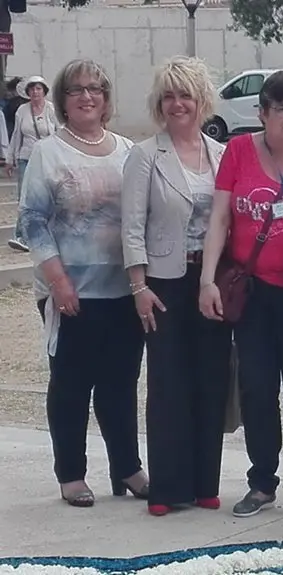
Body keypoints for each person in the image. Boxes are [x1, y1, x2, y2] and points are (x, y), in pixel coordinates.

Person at [198, 71, 283, 519]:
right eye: (282, 109)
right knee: (257, 386)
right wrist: (206, 279)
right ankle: (262, 481)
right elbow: (220, 218)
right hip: (252, 289)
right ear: (262, 114)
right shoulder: (238, 151)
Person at [19, 58, 148, 507]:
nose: (86, 96)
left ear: (106, 98)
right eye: (76, 90)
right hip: (71, 292)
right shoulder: (48, 153)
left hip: (123, 291)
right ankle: (71, 473)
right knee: (72, 384)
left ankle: (127, 468)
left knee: (121, 383)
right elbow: (32, 222)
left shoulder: (128, 149)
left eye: (95, 88)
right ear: (63, 100)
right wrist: (58, 281)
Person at [121, 56, 233, 517]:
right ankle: (167, 487)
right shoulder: (146, 155)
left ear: (201, 100)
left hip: (211, 282)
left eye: (184, 94)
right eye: (168, 95)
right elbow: (131, 226)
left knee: (211, 379)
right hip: (163, 283)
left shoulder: (222, 155)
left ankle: (205, 482)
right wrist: (138, 286)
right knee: (168, 384)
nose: (176, 103)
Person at [6, 75, 57, 253]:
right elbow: (16, 136)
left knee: (48, 197)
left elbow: (59, 133)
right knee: (25, 197)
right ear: (27, 92)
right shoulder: (22, 110)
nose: (35, 92)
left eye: (38, 89)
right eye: (32, 89)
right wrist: (10, 158)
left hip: (48, 159)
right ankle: (20, 235)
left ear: (44, 91)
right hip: (26, 157)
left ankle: (47, 233)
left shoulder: (51, 109)